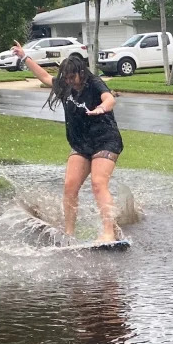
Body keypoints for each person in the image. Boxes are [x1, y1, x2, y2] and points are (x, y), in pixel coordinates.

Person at [12, 42, 123, 242]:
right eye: (66, 77)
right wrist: (24, 56)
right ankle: (69, 232)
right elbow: (45, 77)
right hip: (81, 143)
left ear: (81, 72)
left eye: (73, 77)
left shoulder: (94, 83)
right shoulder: (65, 86)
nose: (70, 81)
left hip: (105, 140)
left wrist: (102, 108)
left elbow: (110, 99)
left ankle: (108, 232)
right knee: (69, 186)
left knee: (98, 184)